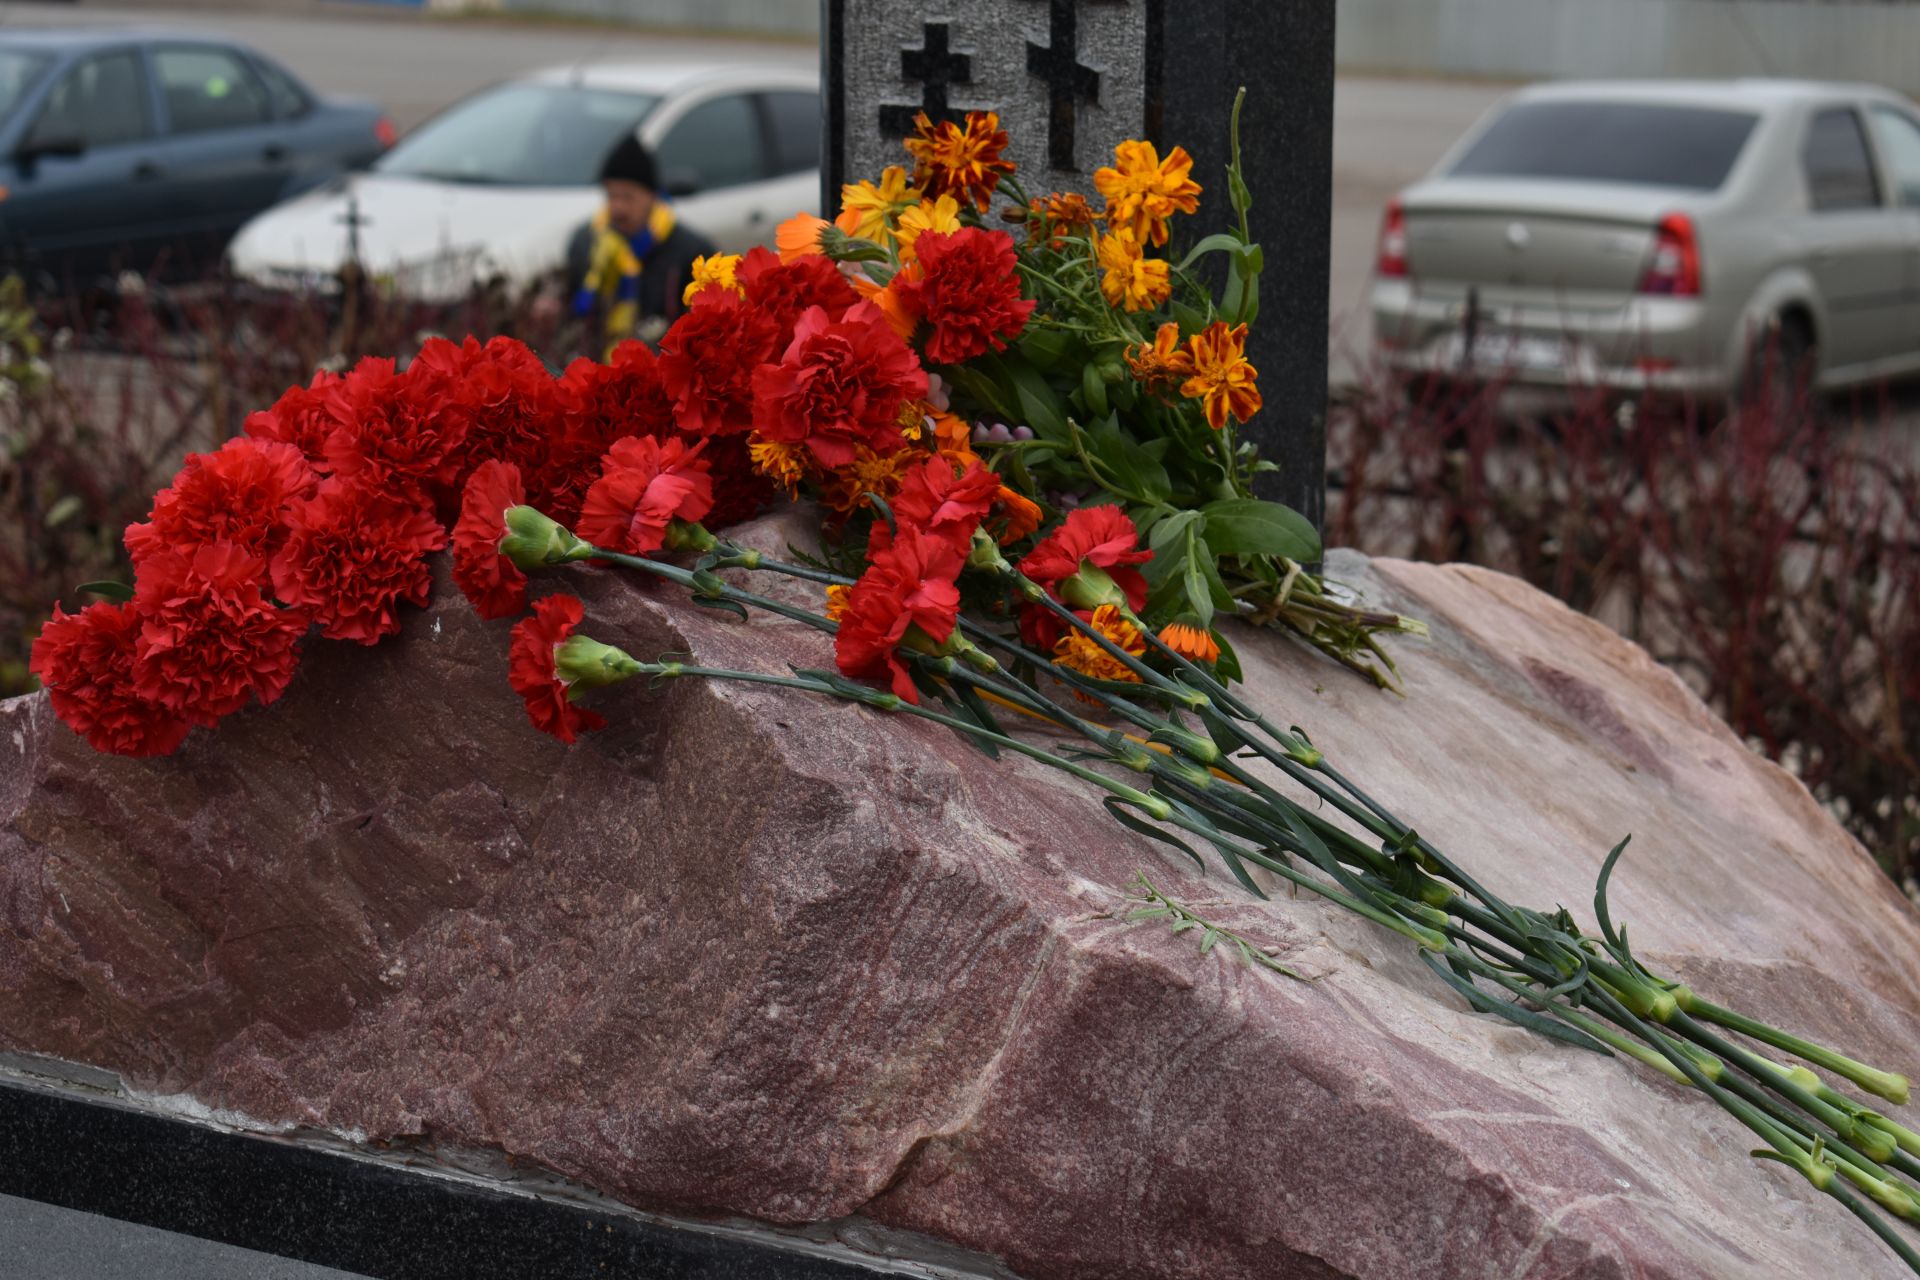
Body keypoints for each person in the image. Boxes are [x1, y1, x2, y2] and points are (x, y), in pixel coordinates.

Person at [569, 134, 716, 349]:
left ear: (652, 196)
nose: (618, 208)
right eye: (612, 196)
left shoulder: (690, 251)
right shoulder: (586, 243)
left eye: (628, 197)